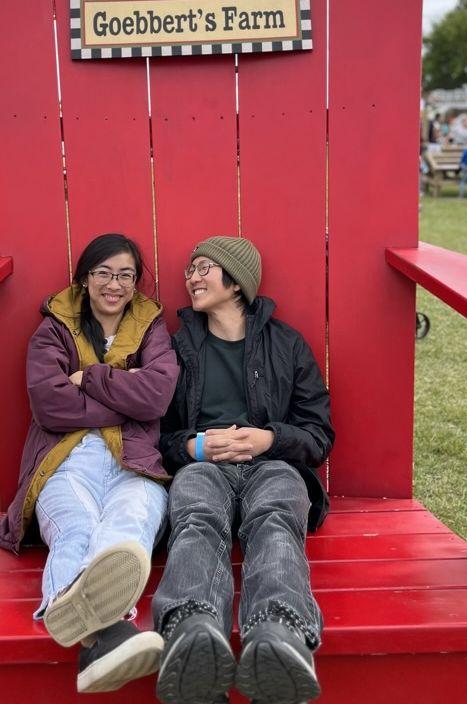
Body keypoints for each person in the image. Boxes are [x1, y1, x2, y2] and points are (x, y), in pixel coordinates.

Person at [0, 233, 179, 694]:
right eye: (104, 273)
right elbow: (51, 407)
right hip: (66, 458)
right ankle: (108, 633)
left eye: (126, 275)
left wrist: (88, 378)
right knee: (78, 525)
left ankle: (89, 633)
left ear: (136, 282)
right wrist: (124, 389)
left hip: (133, 458)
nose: (114, 285)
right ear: (84, 277)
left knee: (130, 520)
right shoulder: (53, 327)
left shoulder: (151, 327)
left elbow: (157, 396)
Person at [152, 236, 335, 704]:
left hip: (272, 463)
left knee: (276, 519)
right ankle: (191, 633)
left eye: (205, 268)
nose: (192, 277)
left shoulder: (288, 345)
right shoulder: (176, 349)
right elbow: (159, 435)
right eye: (189, 269)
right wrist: (194, 447)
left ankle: (280, 636)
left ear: (236, 283)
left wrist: (270, 438)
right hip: (203, 467)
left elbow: (318, 435)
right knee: (195, 517)